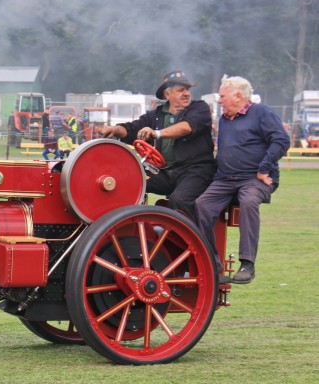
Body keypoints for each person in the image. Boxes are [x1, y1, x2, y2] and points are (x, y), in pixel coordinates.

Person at [195, 75, 290, 284]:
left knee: (248, 201)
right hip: (225, 179)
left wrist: (264, 168)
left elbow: (281, 140)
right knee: (202, 205)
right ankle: (213, 262)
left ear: (238, 96)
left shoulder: (261, 112)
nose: (219, 100)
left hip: (255, 178)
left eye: (222, 96)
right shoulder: (223, 119)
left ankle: (247, 264)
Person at [100, 71, 216, 220]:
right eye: (181, 90)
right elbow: (131, 129)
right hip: (166, 173)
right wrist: (114, 129)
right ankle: (127, 222)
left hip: (196, 170)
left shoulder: (199, 108)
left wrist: (157, 133)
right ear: (167, 95)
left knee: (179, 200)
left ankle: (194, 240)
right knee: (127, 178)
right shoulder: (156, 115)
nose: (186, 93)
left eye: (188, 89)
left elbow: (186, 127)